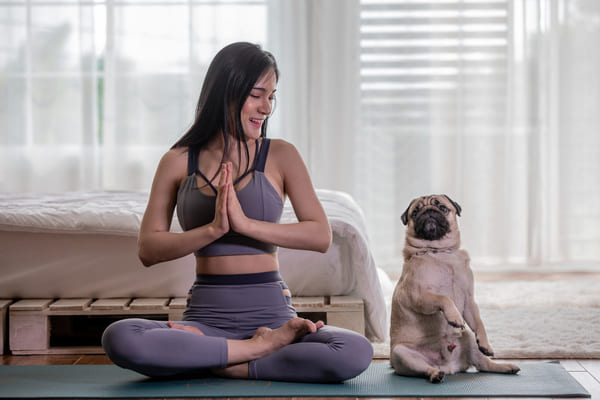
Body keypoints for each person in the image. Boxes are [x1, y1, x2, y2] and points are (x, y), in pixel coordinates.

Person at [101, 42, 373, 383]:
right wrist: (212, 230)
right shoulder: (177, 161)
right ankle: (256, 352)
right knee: (121, 337)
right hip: (205, 318)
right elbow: (148, 249)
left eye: (272, 96)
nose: (266, 108)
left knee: (355, 351)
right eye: (257, 95)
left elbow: (320, 235)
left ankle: (218, 360)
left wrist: (245, 224)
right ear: (226, 92)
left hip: (272, 314)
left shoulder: (281, 155)